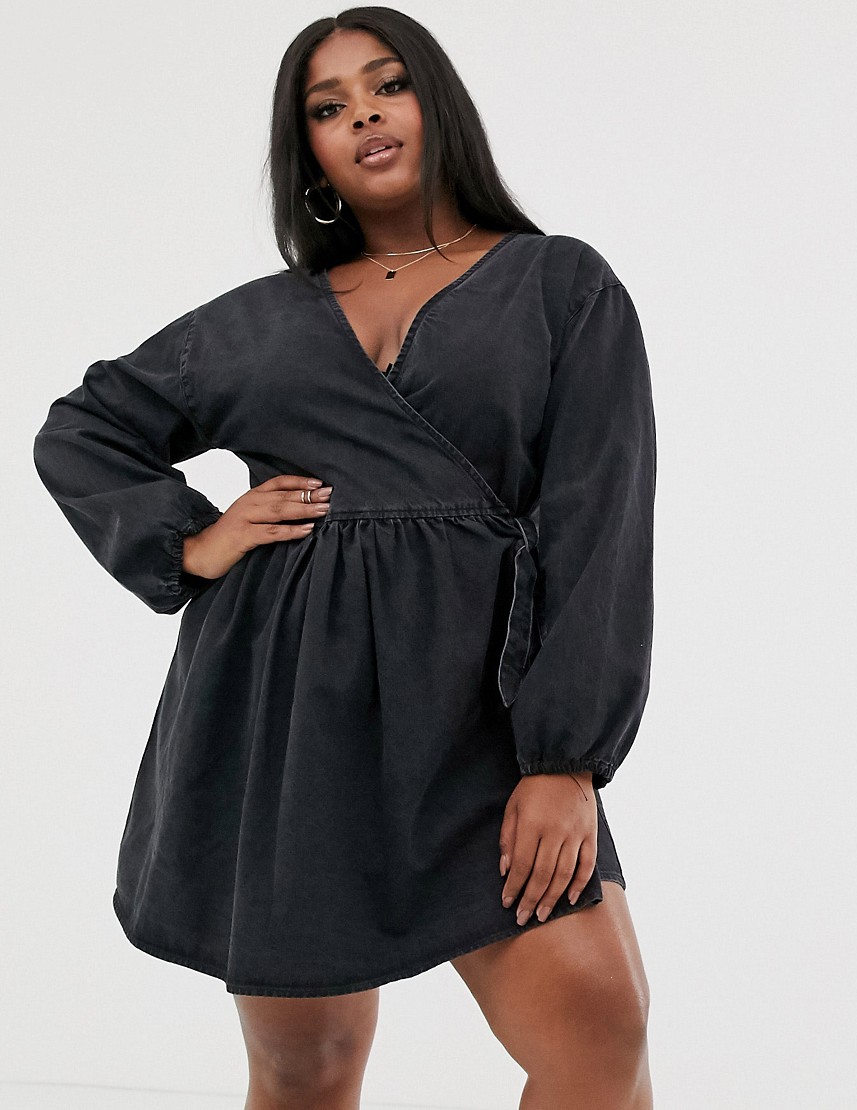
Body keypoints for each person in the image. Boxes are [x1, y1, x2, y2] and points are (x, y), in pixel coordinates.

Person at [32, 8, 657, 1109]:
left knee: (598, 1037)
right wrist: (192, 539)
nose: (364, 114)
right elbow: (84, 428)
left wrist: (566, 759)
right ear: (310, 152)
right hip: (287, 725)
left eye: (388, 84)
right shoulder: (258, 323)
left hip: (478, 724)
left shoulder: (559, 285)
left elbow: (598, 522)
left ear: (437, 104)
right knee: (306, 1066)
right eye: (329, 107)